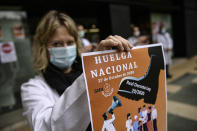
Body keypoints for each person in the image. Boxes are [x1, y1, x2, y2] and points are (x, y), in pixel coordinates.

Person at [21, 10, 133, 131]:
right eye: (57, 44)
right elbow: (46, 127)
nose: (65, 48)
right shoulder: (32, 88)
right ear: (43, 47)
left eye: (70, 42)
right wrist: (92, 74)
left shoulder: (83, 73)